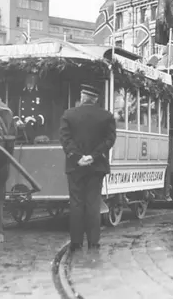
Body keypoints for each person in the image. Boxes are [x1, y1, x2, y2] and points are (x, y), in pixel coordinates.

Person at [59, 84, 117, 252]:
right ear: (96, 99)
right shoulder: (106, 116)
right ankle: (93, 242)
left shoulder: (68, 115)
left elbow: (65, 139)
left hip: (75, 166)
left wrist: (77, 157)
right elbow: (109, 140)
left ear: (82, 97)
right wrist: (93, 156)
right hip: (96, 166)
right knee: (93, 203)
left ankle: (76, 242)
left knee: (76, 203)